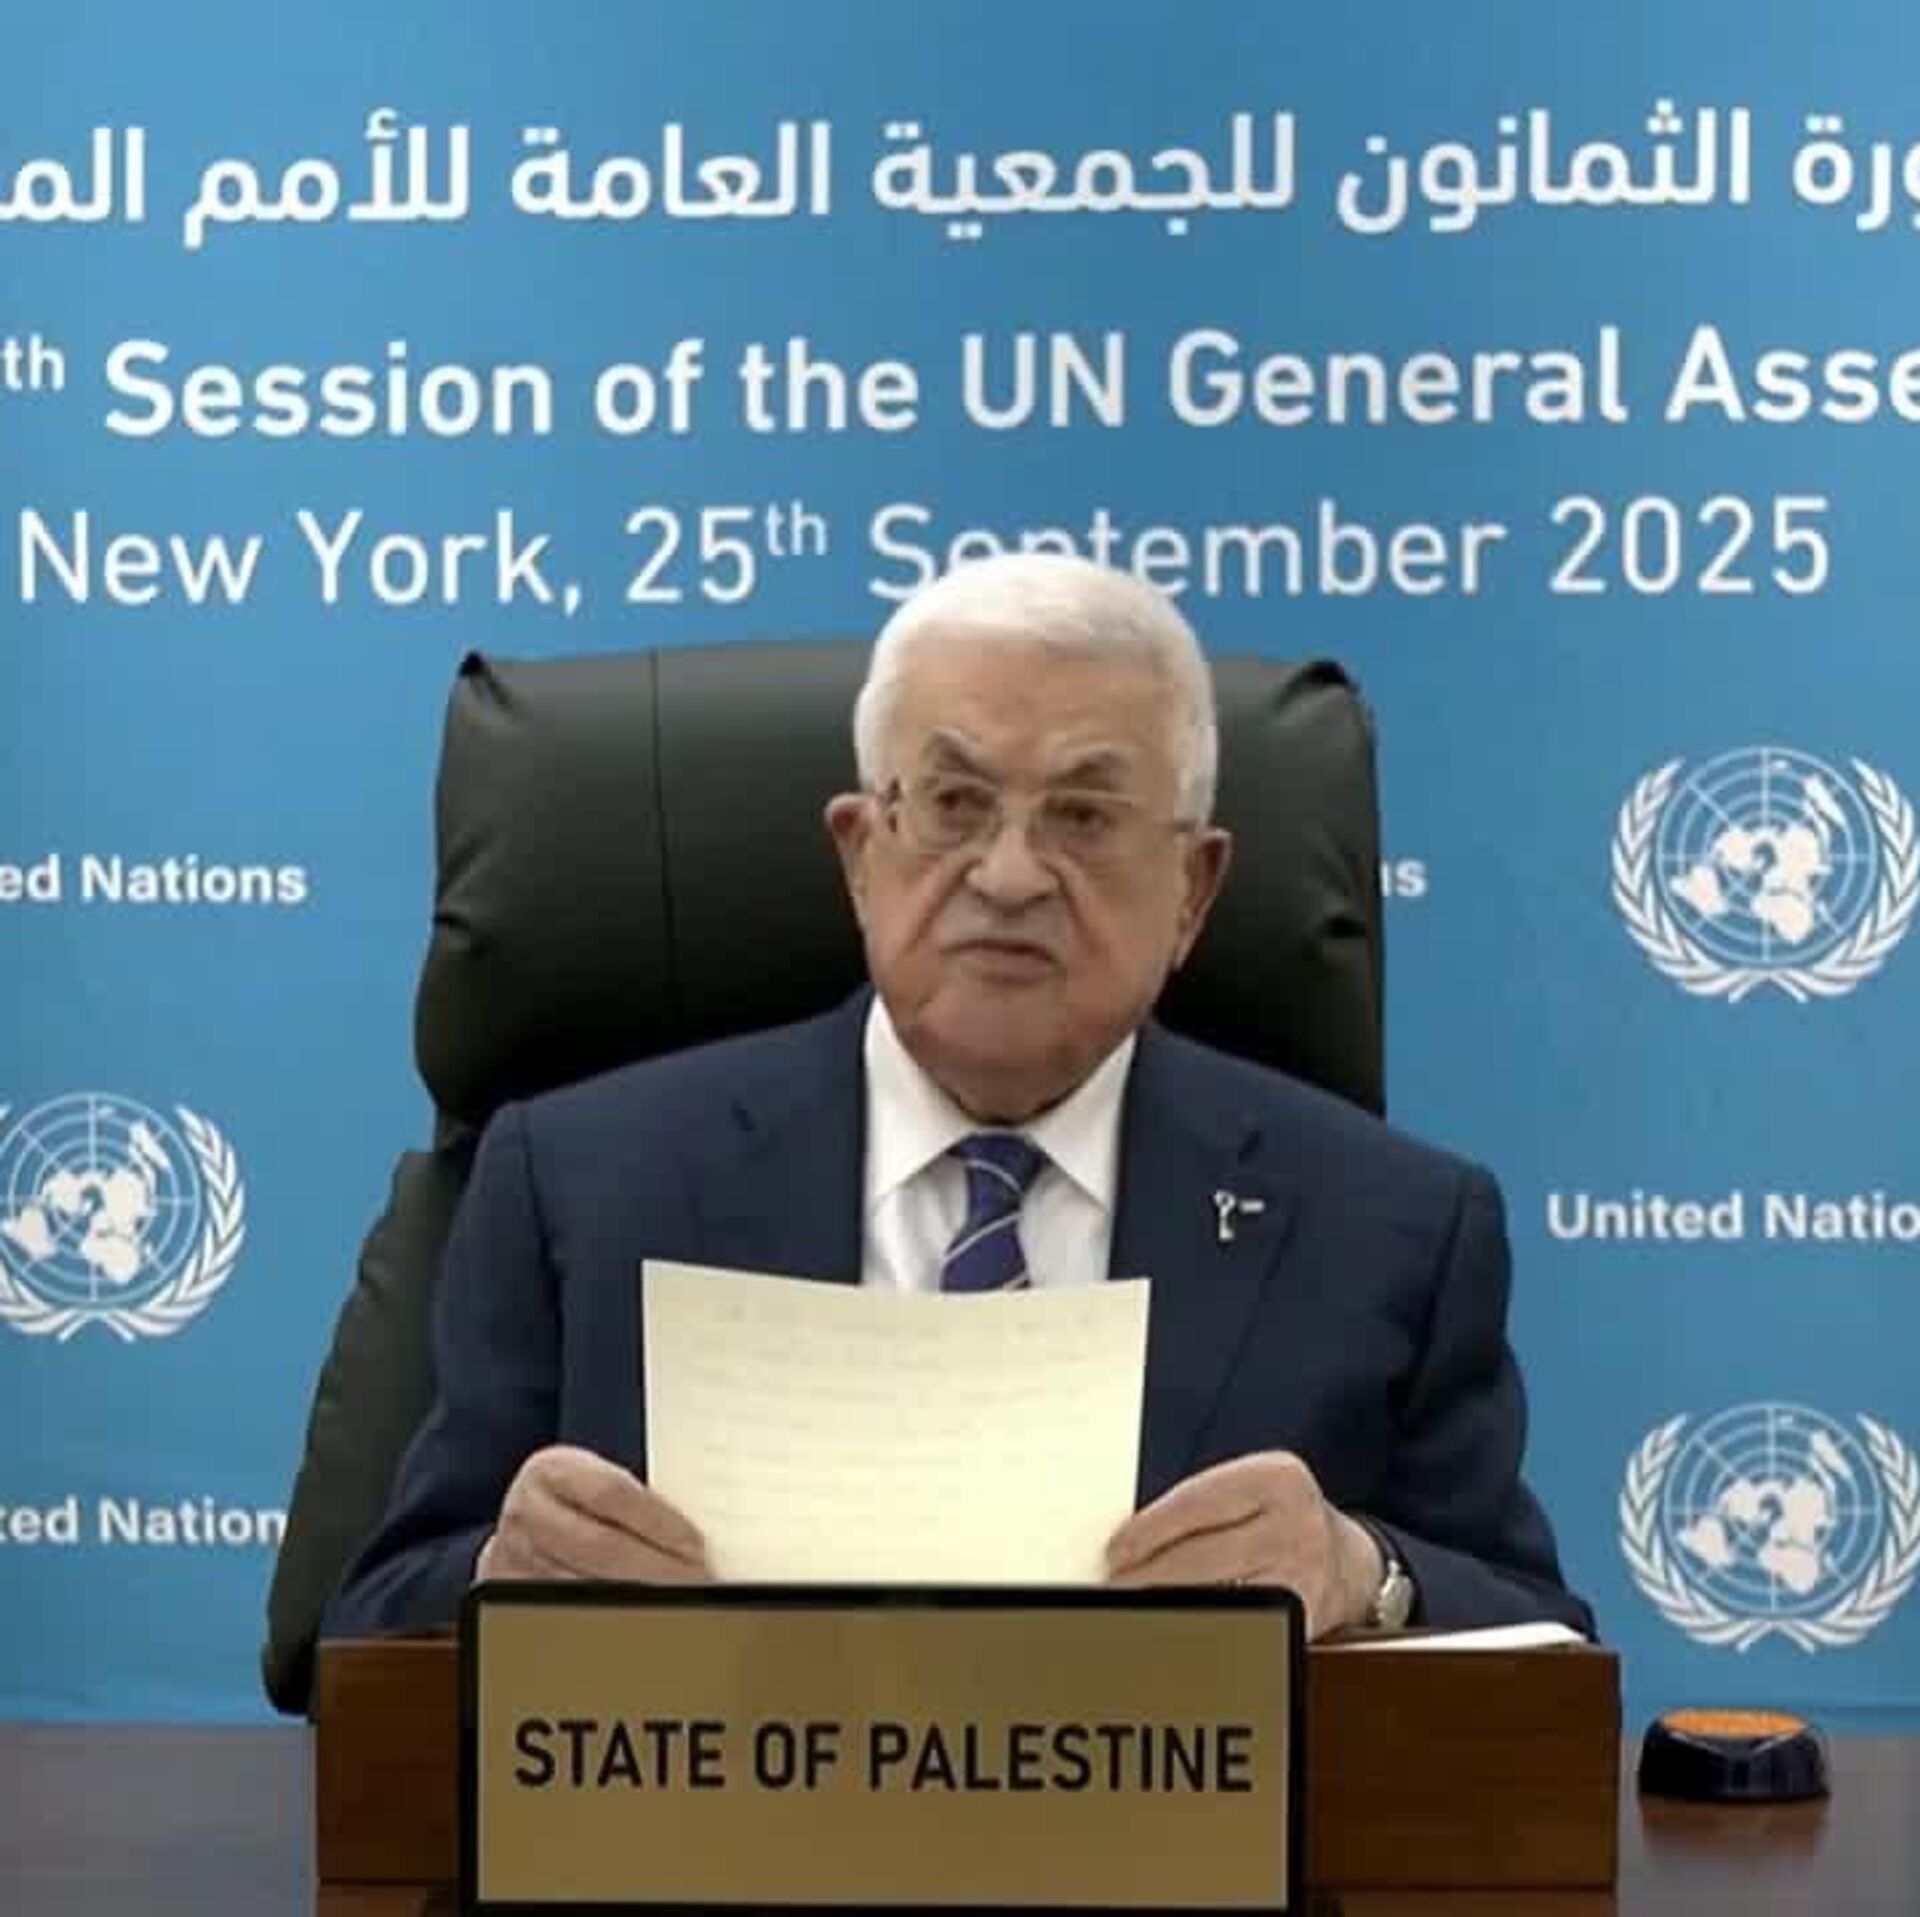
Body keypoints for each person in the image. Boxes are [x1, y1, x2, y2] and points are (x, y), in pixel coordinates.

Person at [323, 552, 1591, 1643]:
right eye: (953, 804)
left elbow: (1538, 1644)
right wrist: (502, 1576)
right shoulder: (578, 1184)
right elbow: (370, 1630)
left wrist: (1368, 1576)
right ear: (860, 854)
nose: (1011, 875)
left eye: (1086, 815)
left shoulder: (1391, 1230)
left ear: (1195, 891)